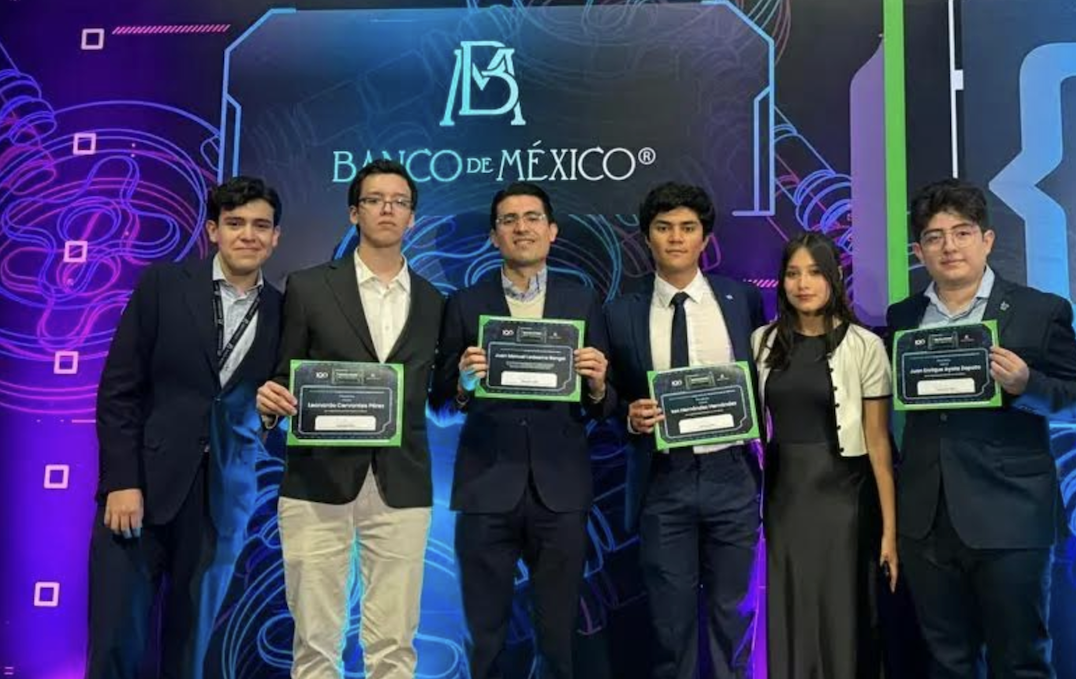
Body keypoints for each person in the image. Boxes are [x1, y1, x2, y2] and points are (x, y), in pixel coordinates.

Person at [888, 179, 1076, 678]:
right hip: (926, 519)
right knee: (947, 662)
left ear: (987, 240)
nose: (949, 246)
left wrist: (1028, 385)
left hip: (1011, 516)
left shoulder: (1038, 310)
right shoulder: (903, 317)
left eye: (962, 232)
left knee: (1020, 661)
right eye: (934, 237)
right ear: (919, 252)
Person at [87, 176, 284, 679]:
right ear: (213, 231)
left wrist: (270, 414)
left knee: (190, 652)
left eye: (261, 225)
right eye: (235, 223)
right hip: (142, 490)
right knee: (115, 644)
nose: (248, 235)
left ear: (275, 237)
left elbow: (281, 395)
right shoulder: (164, 286)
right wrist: (121, 481)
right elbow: (119, 390)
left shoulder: (285, 311)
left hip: (222, 498)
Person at [255, 160, 445, 679]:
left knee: (395, 645)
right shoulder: (308, 287)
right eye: (375, 200)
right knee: (315, 643)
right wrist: (270, 404)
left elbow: (444, 395)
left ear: (412, 217)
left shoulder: (434, 301)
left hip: (402, 483)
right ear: (353, 212)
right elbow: (283, 375)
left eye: (399, 202)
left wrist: (469, 382)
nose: (387, 209)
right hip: (316, 479)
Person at [428, 181, 615, 679]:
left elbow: (605, 406)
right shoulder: (464, 303)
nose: (521, 227)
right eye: (508, 220)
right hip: (485, 486)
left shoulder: (583, 301)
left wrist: (598, 385)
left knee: (557, 637)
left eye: (532, 217)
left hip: (561, 489)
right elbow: (439, 404)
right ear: (494, 236)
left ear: (552, 231)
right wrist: (464, 383)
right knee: (483, 637)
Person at [604, 182, 765, 679]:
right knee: (669, 624)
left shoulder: (740, 300)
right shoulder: (620, 312)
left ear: (705, 239)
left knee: (733, 617)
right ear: (647, 237)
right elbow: (606, 395)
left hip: (731, 474)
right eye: (664, 227)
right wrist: (627, 413)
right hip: (662, 479)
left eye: (687, 228)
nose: (676, 238)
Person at [750, 231, 897, 678]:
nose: (803, 284)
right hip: (784, 499)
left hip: (845, 499)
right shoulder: (761, 341)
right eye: (793, 273)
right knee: (790, 611)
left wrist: (890, 531)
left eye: (815, 272)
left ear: (834, 277)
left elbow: (878, 442)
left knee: (843, 614)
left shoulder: (865, 345)